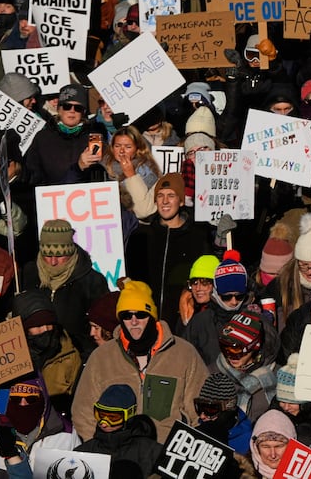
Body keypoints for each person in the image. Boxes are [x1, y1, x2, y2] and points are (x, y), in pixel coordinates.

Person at [72, 280, 208, 442]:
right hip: (119, 459)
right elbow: (83, 412)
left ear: (152, 316)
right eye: (127, 316)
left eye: (141, 314)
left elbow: (200, 412)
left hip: (166, 456)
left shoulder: (183, 353)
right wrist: (103, 450)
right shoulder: (102, 357)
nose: (134, 321)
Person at [126, 172, 212, 327]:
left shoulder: (198, 236)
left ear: (180, 201)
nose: (165, 201)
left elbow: (206, 280)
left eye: (171, 195)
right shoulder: (140, 237)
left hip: (184, 323)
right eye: (160, 195)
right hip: (147, 323)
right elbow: (134, 280)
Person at [19, 219, 108, 362]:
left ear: (71, 251)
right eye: (47, 256)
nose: (53, 262)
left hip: (76, 360)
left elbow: (102, 328)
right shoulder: (27, 274)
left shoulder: (92, 281)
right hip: (34, 360)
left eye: (59, 256)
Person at [76, 383, 164, 477]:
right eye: (101, 415)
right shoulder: (84, 452)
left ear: (129, 416)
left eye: (113, 417)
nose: (104, 423)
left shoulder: (152, 452)